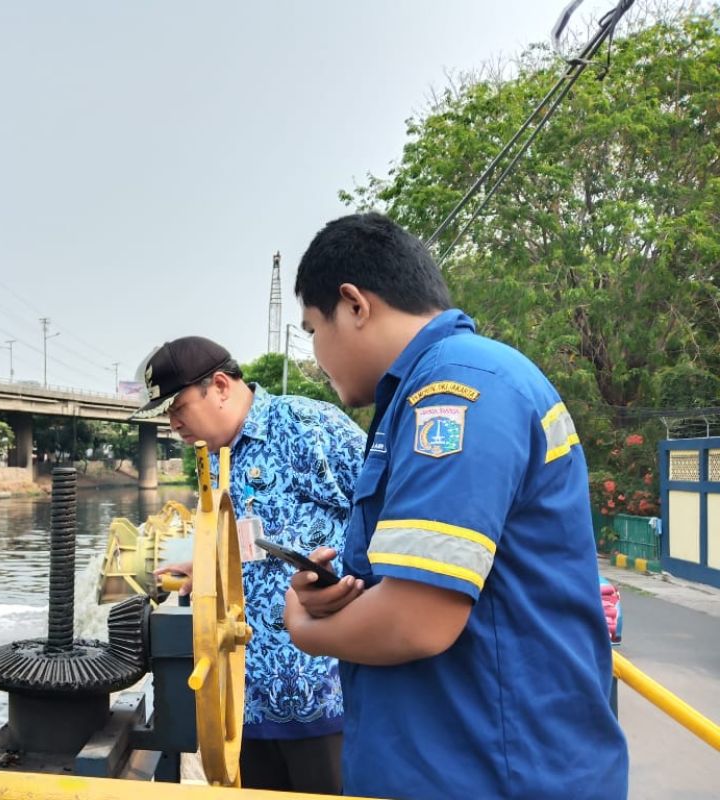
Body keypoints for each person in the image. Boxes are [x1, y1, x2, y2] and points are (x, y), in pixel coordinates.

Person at [282, 212, 628, 799]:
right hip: (462, 760)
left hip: (495, 771)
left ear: (354, 305)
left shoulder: (455, 393)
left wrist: (305, 628)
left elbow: (419, 619)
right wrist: (340, 594)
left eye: (313, 328)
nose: (316, 354)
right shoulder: (441, 388)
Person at [133, 335, 364, 793]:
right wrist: (207, 565)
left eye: (177, 407)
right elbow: (258, 531)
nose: (173, 423)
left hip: (322, 692)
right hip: (243, 694)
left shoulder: (309, 427)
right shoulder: (214, 456)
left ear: (220, 385)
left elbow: (388, 507)